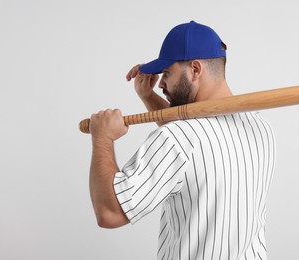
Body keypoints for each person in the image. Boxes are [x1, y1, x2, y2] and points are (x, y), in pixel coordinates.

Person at [88, 21, 276, 260]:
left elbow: (110, 213)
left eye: (166, 72)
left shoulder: (178, 138)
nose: (162, 82)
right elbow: (194, 153)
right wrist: (148, 96)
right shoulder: (260, 127)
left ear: (195, 70)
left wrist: (102, 138)